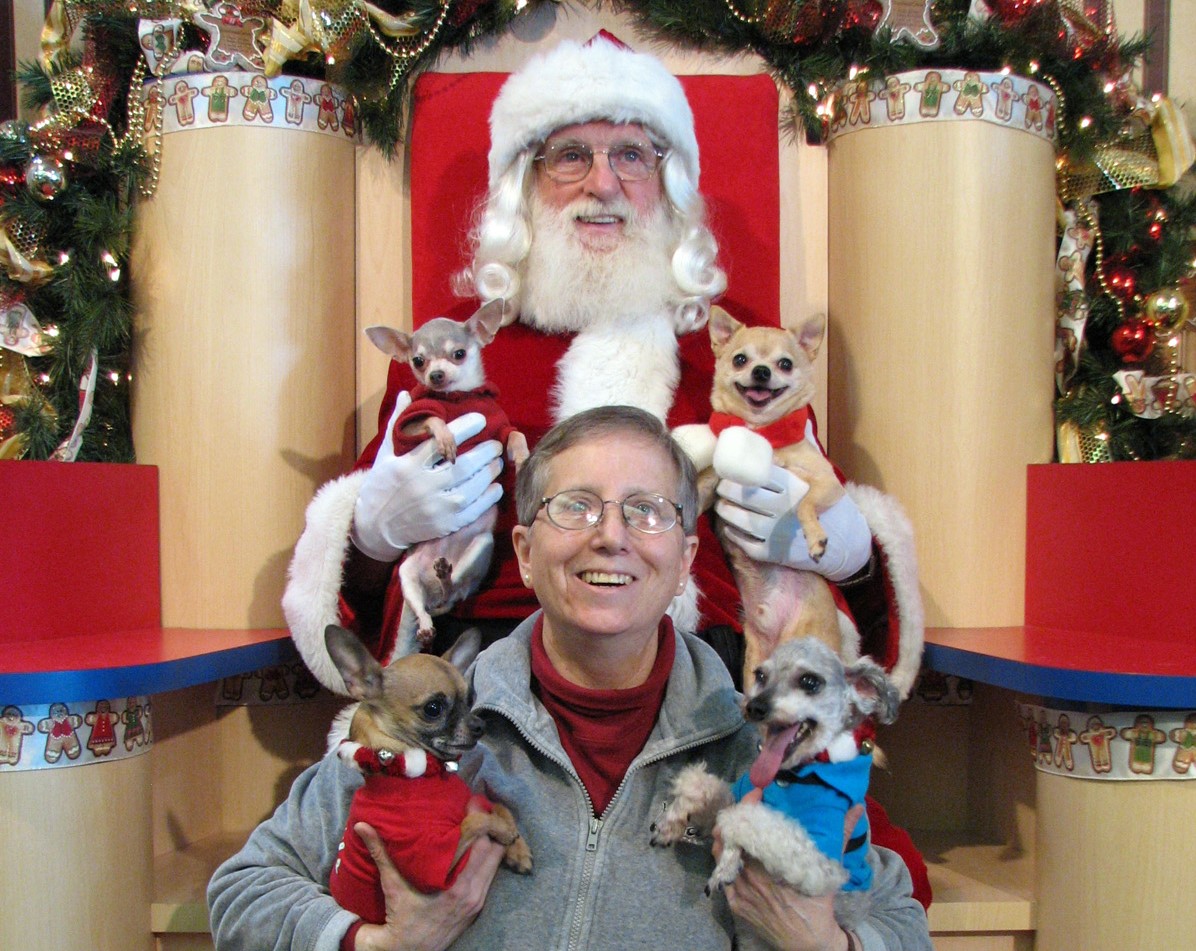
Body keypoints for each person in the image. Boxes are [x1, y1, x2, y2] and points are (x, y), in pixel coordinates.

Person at [281, 36, 929, 903]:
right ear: (523, 184)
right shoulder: (457, 354)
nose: (602, 182)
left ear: (668, 183)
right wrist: (368, 526)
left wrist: (845, 547)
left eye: (632, 152)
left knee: (866, 891)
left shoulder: (738, 352)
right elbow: (354, 615)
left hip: (715, 703)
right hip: (486, 705)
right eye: (570, 156)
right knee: (354, 865)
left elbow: (862, 614)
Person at [208, 406, 933, 951]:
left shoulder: (760, 744)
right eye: (575, 505)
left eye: (646, 510)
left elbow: (902, 919)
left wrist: (829, 946)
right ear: (525, 552)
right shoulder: (420, 725)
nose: (609, 534)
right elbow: (241, 890)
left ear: (685, 558)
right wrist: (377, 944)